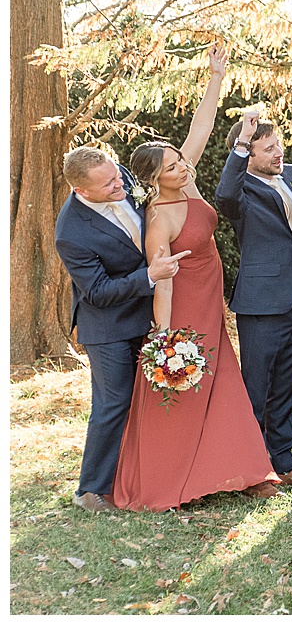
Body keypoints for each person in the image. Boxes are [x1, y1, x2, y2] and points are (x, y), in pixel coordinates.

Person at [113, 42, 279, 510]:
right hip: (182, 303)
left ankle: (241, 468)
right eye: (172, 165)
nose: (183, 166)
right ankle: (172, 476)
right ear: (154, 179)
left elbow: (201, 128)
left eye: (180, 159)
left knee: (223, 377)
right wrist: (164, 336)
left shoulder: (185, 179)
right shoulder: (159, 216)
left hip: (209, 294)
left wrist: (215, 79)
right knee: (187, 376)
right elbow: (161, 277)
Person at [57, 151, 188, 513]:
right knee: (113, 402)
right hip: (107, 325)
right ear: (82, 190)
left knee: (150, 398)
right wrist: (150, 276)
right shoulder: (71, 232)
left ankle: (140, 475)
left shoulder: (122, 178)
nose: (121, 185)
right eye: (109, 184)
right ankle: (90, 489)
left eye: (117, 176)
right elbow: (96, 292)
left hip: (147, 312)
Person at [215, 109, 292, 487]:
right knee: (256, 387)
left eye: (278, 144)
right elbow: (224, 196)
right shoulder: (239, 188)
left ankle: (284, 459)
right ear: (248, 153)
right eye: (267, 149)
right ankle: (251, 468)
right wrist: (242, 142)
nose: (278, 153)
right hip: (261, 300)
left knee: (287, 385)